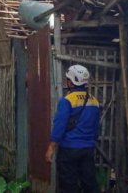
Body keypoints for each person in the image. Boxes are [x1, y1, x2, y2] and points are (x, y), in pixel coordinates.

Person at [46, 64, 101, 193]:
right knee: (90, 184)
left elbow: (59, 126)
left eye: (68, 79)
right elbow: (96, 128)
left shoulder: (67, 101)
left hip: (69, 149)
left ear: (71, 82)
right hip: (87, 149)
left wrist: (51, 147)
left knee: (69, 185)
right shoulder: (94, 101)